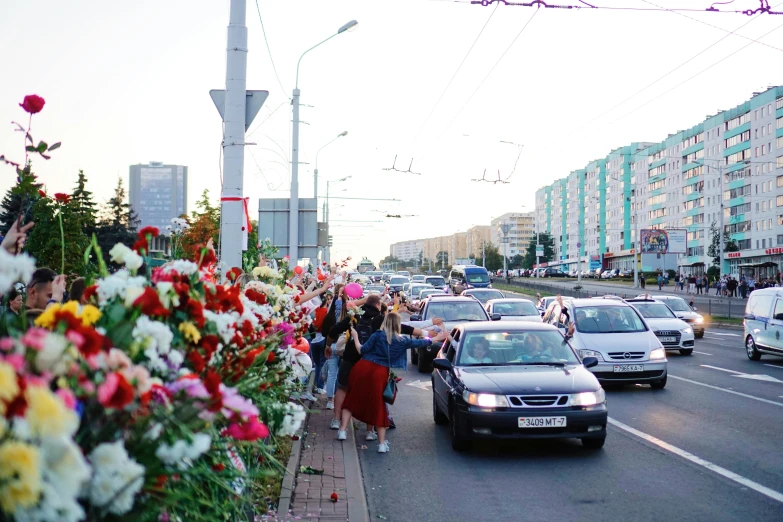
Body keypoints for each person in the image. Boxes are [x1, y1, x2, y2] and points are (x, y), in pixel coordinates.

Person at [336, 313, 445, 453]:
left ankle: (342, 431)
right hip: (380, 372)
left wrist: (356, 337)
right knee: (377, 403)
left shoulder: (377, 335)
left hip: (362, 367)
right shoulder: (403, 341)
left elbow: (361, 350)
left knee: (352, 398)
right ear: (397, 325)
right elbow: (421, 342)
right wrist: (436, 338)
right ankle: (381, 444)